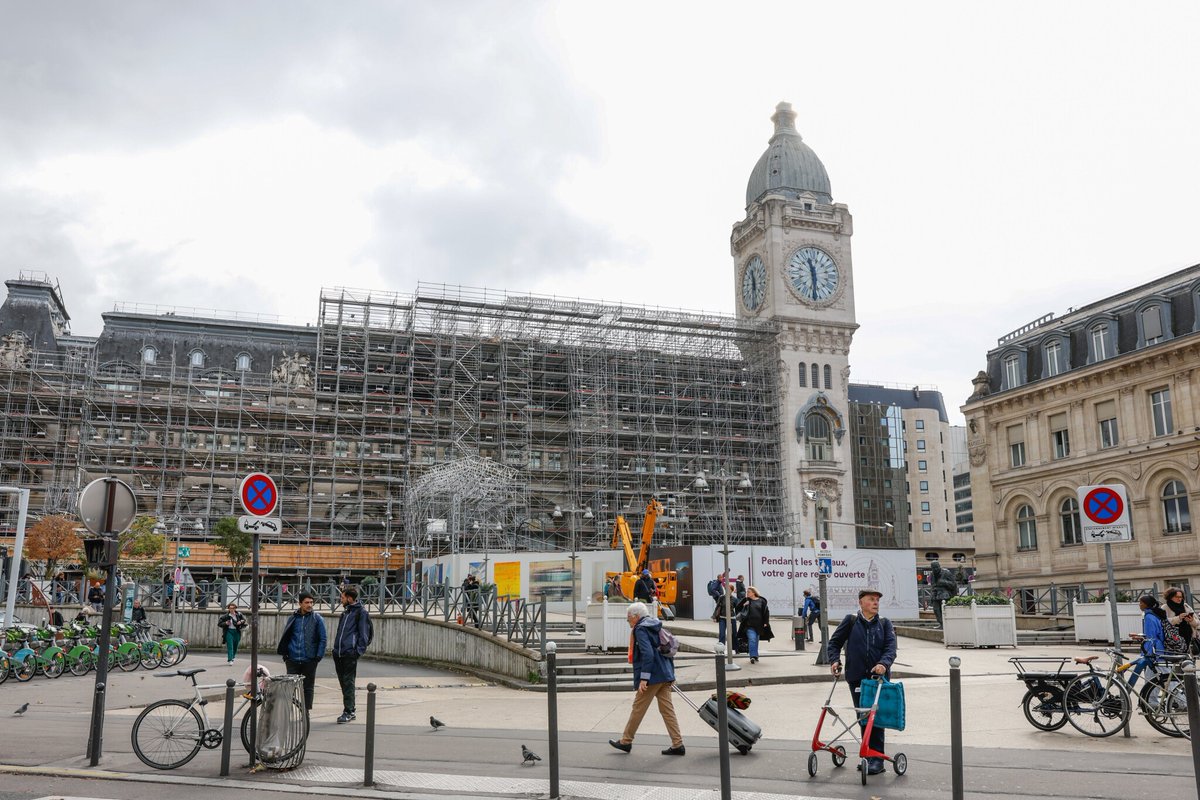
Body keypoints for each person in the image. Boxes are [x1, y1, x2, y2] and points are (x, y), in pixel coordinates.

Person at [827, 588, 897, 776]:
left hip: (878, 679)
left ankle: (877, 759)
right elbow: (834, 643)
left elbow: (891, 648)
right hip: (856, 677)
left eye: (877, 600)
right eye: (871, 599)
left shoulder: (884, 623)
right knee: (864, 719)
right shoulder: (850, 621)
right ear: (861, 602)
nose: (876, 603)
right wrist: (834, 660)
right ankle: (868, 755)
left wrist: (883, 663)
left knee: (876, 719)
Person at [608, 601, 684, 755]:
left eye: (628, 617)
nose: (628, 620)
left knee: (638, 708)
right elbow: (665, 649)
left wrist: (644, 678)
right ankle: (678, 744)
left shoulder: (641, 629)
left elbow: (648, 654)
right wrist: (671, 674)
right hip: (664, 673)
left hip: (653, 676)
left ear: (636, 616)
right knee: (667, 710)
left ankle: (626, 741)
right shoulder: (655, 625)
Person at [276, 592, 327, 712]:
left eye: (311, 602)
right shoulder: (293, 618)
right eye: (306, 602)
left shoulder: (317, 619)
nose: (310, 605)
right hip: (292, 659)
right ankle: (288, 712)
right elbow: (286, 636)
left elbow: (323, 639)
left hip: (309, 659)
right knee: (289, 687)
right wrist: (286, 655)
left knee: (308, 688)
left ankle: (306, 713)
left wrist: (318, 656)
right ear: (300, 603)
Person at [332, 585, 372, 724]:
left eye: (342, 598)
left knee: (348, 682)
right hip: (339, 653)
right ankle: (349, 708)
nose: (340, 600)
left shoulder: (361, 613)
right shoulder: (345, 613)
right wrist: (335, 649)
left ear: (349, 598)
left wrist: (357, 652)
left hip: (350, 653)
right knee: (343, 682)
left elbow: (364, 635)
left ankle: (349, 711)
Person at [1131, 594, 1167, 686]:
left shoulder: (1149, 617)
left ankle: (1181, 699)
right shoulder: (1154, 615)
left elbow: (1151, 638)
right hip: (1158, 650)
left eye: (1141, 603)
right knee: (1151, 682)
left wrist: (1147, 654)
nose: (1139, 605)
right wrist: (1141, 636)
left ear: (1146, 604)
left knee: (1165, 680)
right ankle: (1151, 700)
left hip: (1155, 653)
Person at [735, 586, 771, 664]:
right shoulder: (746, 600)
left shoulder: (761, 601)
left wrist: (766, 622)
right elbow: (737, 608)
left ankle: (755, 655)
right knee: (752, 639)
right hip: (748, 625)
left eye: (748, 592)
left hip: (759, 625)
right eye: (747, 592)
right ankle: (753, 656)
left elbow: (766, 612)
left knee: (756, 641)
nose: (747, 593)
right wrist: (744, 605)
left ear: (753, 593)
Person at [1163, 587, 1196, 654]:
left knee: (1188, 657)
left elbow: (1197, 622)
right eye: (1176, 597)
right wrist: (1178, 618)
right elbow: (1164, 622)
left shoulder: (1186, 606)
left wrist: (1191, 620)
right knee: (1177, 657)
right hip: (1174, 638)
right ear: (1170, 597)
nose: (1179, 599)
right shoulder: (1165, 607)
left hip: (1188, 635)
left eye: (1181, 597)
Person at [929, 561, 956, 628]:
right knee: (936, 609)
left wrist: (944, 582)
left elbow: (954, 584)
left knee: (943, 609)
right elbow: (932, 585)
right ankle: (941, 624)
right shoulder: (932, 574)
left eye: (936, 567)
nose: (935, 569)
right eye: (933, 568)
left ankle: (946, 624)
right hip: (935, 594)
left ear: (939, 566)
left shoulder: (946, 573)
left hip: (944, 594)